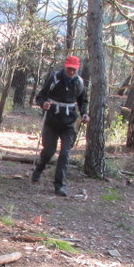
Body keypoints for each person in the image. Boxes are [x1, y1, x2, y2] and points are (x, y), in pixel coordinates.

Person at [32, 55, 89, 196]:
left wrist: (84, 114)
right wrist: (43, 104)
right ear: (65, 66)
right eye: (69, 69)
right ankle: (38, 169)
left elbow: (83, 101)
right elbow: (41, 96)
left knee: (65, 154)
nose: (71, 72)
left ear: (77, 69)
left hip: (69, 123)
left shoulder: (79, 83)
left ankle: (60, 185)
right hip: (52, 121)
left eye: (74, 70)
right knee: (49, 151)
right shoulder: (54, 79)